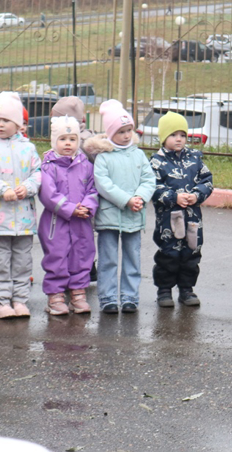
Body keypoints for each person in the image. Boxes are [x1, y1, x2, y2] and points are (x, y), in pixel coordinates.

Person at [82, 99, 155, 314]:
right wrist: (127, 200)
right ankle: (108, 298)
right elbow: (103, 184)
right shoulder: (104, 156)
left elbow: (148, 179)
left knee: (133, 257)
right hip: (110, 217)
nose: (126, 135)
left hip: (134, 215)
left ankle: (130, 297)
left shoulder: (138, 154)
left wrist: (140, 196)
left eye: (129, 130)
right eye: (121, 131)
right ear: (110, 132)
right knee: (108, 259)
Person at [0, 92, 41, 319]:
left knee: (22, 261)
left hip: (23, 218)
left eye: (5, 120)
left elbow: (38, 174)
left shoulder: (29, 148)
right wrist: (3, 189)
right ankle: (0, 301)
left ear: (19, 124)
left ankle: (20, 299)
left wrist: (28, 187)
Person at [150, 112, 214, 307]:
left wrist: (196, 195)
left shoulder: (195, 158)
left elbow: (207, 181)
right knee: (168, 254)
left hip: (193, 218)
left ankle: (187, 289)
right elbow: (153, 187)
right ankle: (164, 290)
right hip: (169, 219)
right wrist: (173, 197)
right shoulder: (157, 162)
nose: (179, 139)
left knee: (191, 252)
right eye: (173, 135)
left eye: (182, 135)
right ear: (163, 137)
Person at [38, 115, 98, 315]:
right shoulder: (49, 166)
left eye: (72, 139)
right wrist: (70, 208)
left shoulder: (86, 165)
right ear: (54, 141)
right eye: (63, 139)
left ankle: (78, 292)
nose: (68, 144)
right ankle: (55, 295)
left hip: (81, 220)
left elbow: (92, 189)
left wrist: (87, 207)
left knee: (82, 253)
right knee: (57, 255)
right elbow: (48, 194)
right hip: (57, 222)